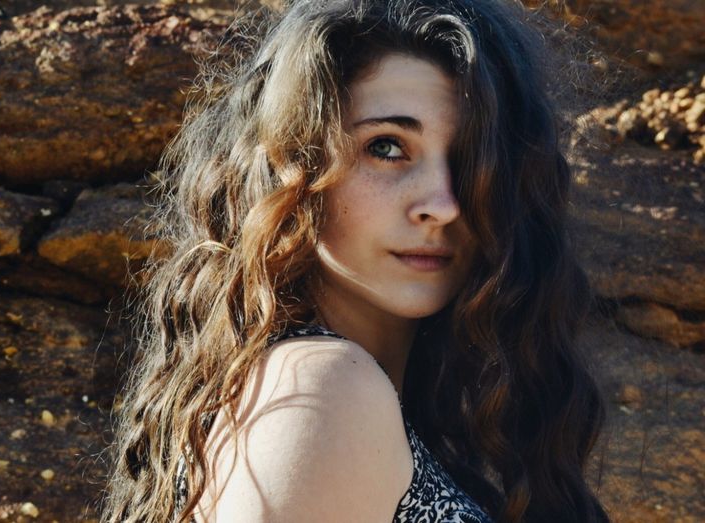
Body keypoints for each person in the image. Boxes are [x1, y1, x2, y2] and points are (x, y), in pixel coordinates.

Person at [103, 0, 610, 521]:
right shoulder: (326, 392)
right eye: (387, 147)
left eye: (471, 158)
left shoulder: (329, 395)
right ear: (292, 169)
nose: (442, 204)